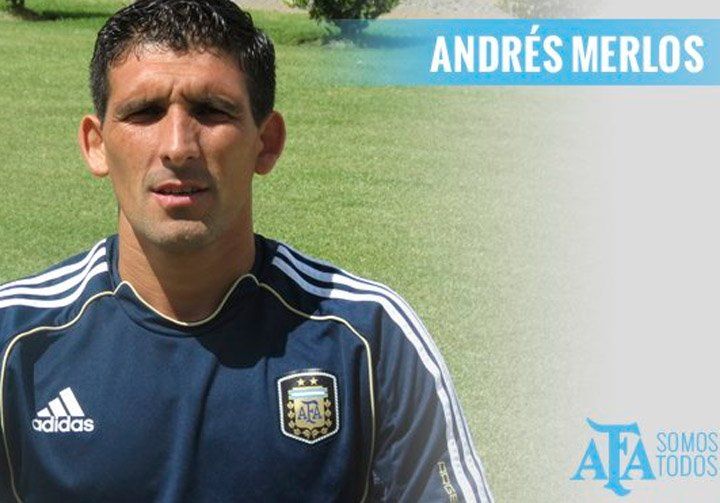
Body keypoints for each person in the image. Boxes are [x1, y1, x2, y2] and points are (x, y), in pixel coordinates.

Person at [0, 0, 492, 501]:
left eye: (212, 111)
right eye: (144, 112)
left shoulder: (368, 336)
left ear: (267, 142)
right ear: (97, 144)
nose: (178, 146)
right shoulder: (15, 338)